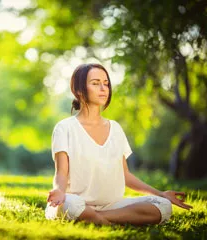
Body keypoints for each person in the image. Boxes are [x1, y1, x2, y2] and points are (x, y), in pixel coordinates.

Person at [45, 63, 192, 225]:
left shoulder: (115, 128)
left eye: (106, 83)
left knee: (163, 206)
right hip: (77, 202)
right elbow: (61, 173)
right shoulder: (64, 128)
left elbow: (126, 175)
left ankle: (95, 218)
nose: (103, 88)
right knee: (70, 204)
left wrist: (161, 194)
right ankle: (107, 218)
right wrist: (59, 191)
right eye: (95, 83)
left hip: (112, 206)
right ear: (79, 90)